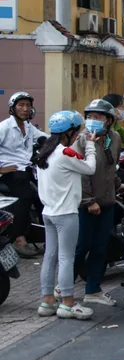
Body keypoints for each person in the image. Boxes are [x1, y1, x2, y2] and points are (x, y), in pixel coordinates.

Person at [34, 110, 96, 321]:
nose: (78, 134)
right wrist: (90, 145)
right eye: (76, 131)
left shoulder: (44, 152)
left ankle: (47, 300)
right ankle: (68, 304)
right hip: (66, 213)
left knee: (49, 257)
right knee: (66, 258)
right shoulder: (65, 154)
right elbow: (90, 169)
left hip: (48, 212)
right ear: (68, 132)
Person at [74, 99, 124, 308]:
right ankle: (64, 287)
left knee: (100, 248)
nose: (93, 121)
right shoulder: (81, 140)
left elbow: (111, 167)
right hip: (86, 204)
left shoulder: (115, 138)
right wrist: (88, 201)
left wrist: (119, 185)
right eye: (90, 117)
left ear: (109, 120)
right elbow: (80, 173)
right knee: (81, 247)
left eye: (99, 117)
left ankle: (93, 289)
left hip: (107, 201)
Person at [0, 92, 46, 257]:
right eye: (21, 105)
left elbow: (46, 139)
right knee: (24, 196)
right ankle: (19, 240)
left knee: (45, 195)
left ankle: (48, 237)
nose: (25, 109)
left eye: (28, 105)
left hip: (27, 169)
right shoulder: (4, 127)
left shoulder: (29, 127)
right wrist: (1, 169)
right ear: (12, 108)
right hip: (11, 172)